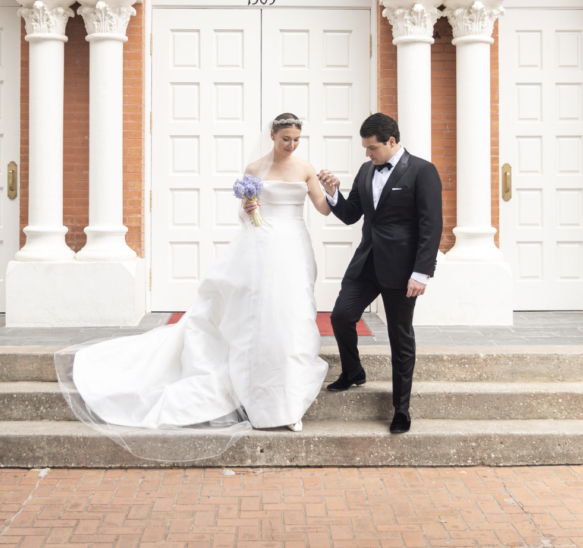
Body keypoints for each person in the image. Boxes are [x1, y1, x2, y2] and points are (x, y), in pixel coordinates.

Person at [56, 113, 331, 461]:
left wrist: (333, 190)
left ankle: (289, 403)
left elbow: (323, 209)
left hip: (293, 246)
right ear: (273, 135)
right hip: (261, 246)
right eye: (285, 139)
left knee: (293, 317)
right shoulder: (254, 168)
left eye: (296, 140)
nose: (291, 145)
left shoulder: (305, 169)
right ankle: (259, 398)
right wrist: (249, 208)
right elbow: (245, 216)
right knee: (259, 317)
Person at [318, 113, 443, 435]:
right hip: (366, 263)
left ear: (391, 141)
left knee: (400, 337)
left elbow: (431, 226)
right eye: (365, 148)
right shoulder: (365, 170)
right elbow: (351, 215)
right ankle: (353, 372)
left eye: (372, 148)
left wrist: (422, 272)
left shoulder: (423, 171)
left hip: (403, 270)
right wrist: (333, 193)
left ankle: (401, 408)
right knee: (341, 317)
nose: (367, 153)